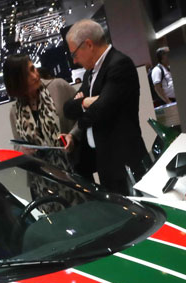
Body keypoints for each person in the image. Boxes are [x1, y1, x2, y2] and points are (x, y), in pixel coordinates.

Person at [63, 19, 149, 195]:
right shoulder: (90, 73)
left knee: (134, 208)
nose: (75, 61)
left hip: (124, 161)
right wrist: (85, 102)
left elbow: (100, 111)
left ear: (88, 44)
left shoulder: (119, 65)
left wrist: (85, 111)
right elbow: (68, 109)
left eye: (75, 54)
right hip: (105, 161)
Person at [4, 54, 78, 169]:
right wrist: (23, 152)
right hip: (41, 176)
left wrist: (72, 135)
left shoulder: (58, 87)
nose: (34, 76)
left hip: (74, 170)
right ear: (17, 81)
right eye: (27, 75)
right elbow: (18, 146)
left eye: (33, 69)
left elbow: (83, 116)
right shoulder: (15, 112)